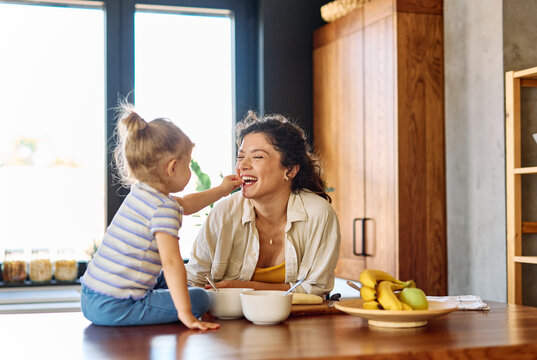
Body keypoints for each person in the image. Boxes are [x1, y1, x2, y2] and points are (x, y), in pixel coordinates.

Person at [80, 103, 242, 329]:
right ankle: (179, 305)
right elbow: (171, 261)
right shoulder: (162, 208)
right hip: (117, 306)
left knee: (171, 281)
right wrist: (186, 314)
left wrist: (221, 190)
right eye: (188, 164)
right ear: (173, 167)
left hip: (91, 295)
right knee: (200, 298)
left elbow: (184, 204)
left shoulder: (142, 193)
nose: (189, 170)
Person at [186, 111, 340, 296]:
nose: (242, 166)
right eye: (241, 156)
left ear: (290, 170)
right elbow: (194, 280)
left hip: (299, 322)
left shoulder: (318, 214)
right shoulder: (224, 212)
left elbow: (316, 289)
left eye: (257, 157)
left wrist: (243, 288)